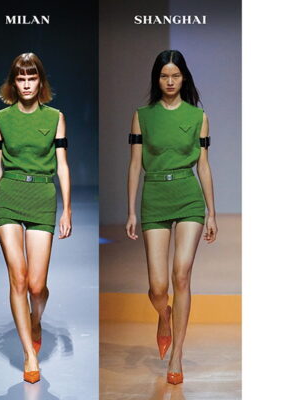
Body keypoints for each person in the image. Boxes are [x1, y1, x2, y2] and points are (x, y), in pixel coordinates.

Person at [125, 50, 218, 385]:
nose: (169, 81)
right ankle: (164, 315)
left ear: (184, 78)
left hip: (188, 197)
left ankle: (176, 354)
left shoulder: (198, 117)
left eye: (175, 76)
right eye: (164, 76)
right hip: (154, 197)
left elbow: (203, 166)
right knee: (158, 287)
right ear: (157, 78)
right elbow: (135, 163)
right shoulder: (142, 116)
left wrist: (211, 212)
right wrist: (130, 210)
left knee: (181, 275)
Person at [0, 53, 72, 384]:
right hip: (9, 196)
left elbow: (62, 165)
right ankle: (29, 355)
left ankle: (36, 320)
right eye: (20, 79)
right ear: (13, 83)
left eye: (31, 78)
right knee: (18, 279)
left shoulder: (56, 118)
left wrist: (67, 208)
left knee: (36, 285)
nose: (26, 84)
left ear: (40, 81)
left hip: (42, 198)